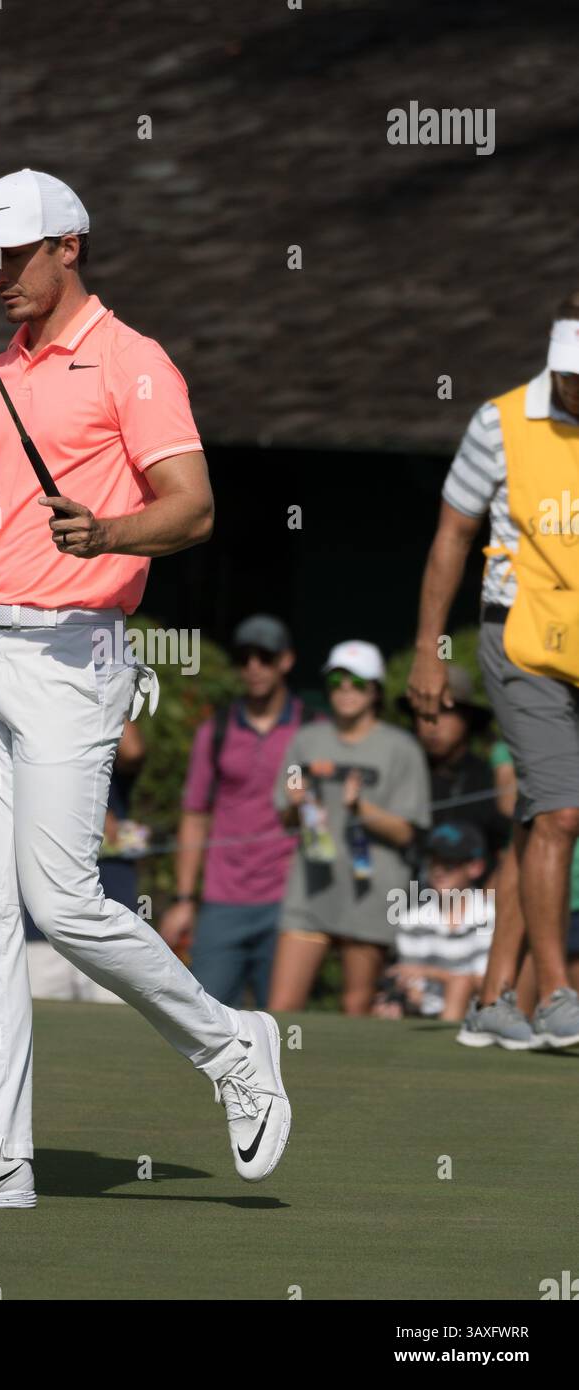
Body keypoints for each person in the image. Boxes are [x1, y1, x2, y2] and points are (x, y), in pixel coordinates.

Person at [0, 168, 290, 1209]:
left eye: (13, 254)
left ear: (69, 245)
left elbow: (194, 507)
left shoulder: (133, 361)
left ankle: (232, 1047)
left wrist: (111, 531)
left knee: (63, 902)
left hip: (74, 658)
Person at [407, 292, 579, 1050]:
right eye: (571, 375)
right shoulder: (500, 421)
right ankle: (559, 994)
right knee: (564, 814)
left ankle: (491, 999)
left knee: (537, 819)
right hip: (520, 642)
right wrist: (427, 648)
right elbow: (452, 534)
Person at [270, 641, 431, 1015]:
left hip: (371, 893)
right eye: (337, 680)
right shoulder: (306, 740)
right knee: (281, 1007)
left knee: (355, 1007)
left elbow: (408, 832)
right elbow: (285, 817)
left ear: (375, 690)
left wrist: (361, 807)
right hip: (311, 889)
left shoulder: (402, 748)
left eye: (357, 682)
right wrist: (297, 804)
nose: (346, 690)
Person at [160, 614, 306, 1008]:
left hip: (290, 901)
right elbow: (194, 816)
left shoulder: (312, 729)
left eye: (265, 657)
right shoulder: (216, 730)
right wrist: (184, 898)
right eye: (244, 658)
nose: (254, 667)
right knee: (205, 1018)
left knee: (286, 1026)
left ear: (286, 661)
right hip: (222, 902)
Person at [24, 718, 145, 1002]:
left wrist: (103, 679)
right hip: (40, 927)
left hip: (109, 923)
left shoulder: (104, 748)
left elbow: (133, 750)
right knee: (38, 1031)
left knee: (115, 1029)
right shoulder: (24, 756)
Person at [375, 822, 493, 1025]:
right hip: (425, 1015)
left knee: (460, 985)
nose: (439, 871)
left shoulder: (490, 916)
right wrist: (404, 994)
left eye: (449, 863)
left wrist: (432, 974)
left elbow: (489, 985)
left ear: (475, 867)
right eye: (433, 862)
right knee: (384, 1007)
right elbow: (413, 982)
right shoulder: (411, 921)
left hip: (481, 1016)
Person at [398, 663, 510, 876]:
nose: (432, 724)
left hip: (477, 903)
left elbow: (506, 849)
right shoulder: (405, 774)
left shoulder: (488, 778)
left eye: (445, 711)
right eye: (423, 712)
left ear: (467, 718)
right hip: (407, 900)